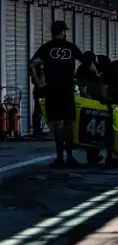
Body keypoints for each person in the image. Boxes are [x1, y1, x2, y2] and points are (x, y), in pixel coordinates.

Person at [28, 20, 83, 168]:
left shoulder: (46, 48)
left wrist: (40, 83)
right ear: (64, 32)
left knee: (56, 125)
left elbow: (32, 64)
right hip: (67, 90)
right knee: (68, 125)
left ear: (52, 32)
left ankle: (59, 157)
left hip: (52, 91)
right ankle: (70, 157)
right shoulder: (70, 47)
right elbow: (85, 61)